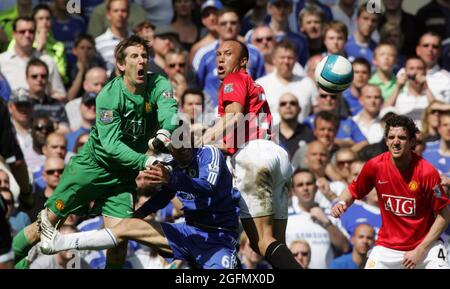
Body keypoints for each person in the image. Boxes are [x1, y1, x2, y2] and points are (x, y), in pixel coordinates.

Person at [11, 35, 179, 269]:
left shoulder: (159, 84)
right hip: (91, 168)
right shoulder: (109, 96)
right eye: (134, 56)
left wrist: (165, 132)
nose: (141, 61)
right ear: (121, 64)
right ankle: (9, 262)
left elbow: (170, 111)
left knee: (119, 241)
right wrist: (144, 160)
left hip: (122, 178)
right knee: (45, 225)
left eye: (144, 56)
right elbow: (110, 146)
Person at [39, 144, 242, 269]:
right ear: (171, 148)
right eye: (177, 149)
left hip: (219, 238)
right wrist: (140, 214)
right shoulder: (172, 164)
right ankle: (60, 242)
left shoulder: (209, 155)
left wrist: (172, 178)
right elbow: (164, 196)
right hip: (189, 234)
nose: (184, 152)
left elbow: (207, 187)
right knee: (127, 226)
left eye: (186, 145)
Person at [201, 39, 302, 269]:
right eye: (218, 54)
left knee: (260, 242)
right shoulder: (254, 85)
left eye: (228, 53)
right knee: (277, 244)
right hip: (277, 156)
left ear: (243, 60)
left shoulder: (233, 79)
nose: (220, 58)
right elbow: (230, 143)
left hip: (253, 157)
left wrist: (202, 141)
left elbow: (233, 116)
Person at [332, 115, 450, 269]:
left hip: (426, 248)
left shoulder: (427, 173)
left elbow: (444, 216)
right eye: (391, 137)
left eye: (402, 137)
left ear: (412, 142)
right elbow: (352, 190)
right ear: (386, 141)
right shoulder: (374, 166)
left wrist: (420, 249)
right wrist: (342, 202)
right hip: (387, 248)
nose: (396, 142)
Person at [286, 169, 350, 268]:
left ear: (316, 188)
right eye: (300, 185)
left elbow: (345, 247)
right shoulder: (285, 216)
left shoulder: (330, 214)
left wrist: (327, 222)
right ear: (293, 191)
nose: (305, 188)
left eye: (309, 183)